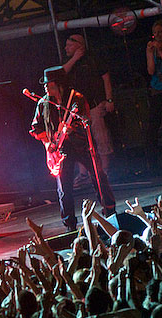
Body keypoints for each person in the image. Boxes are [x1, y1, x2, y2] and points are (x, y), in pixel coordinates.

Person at [30, 66, 116, 231]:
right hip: (60, 151)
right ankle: (69, 224)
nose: (46, 87)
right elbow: (36, 128)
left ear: (59, 84)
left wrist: (73, 129)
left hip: (82, 145)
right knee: (64, 188)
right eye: (45, 84)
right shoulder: (43, 103)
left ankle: (110, 212)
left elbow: (86, 120)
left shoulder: (76, 98)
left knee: (99, 177)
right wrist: (48, 144)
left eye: (49, 84)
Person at [62, 33, 116, 179]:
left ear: (79, 45)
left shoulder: (93, 59)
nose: (66, 48)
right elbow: (61, 74)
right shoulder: (68, 61)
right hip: (77, 109)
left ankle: (105, 170)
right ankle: (83, 173)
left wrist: (109, 99)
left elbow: (106, 78)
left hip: (94, 105)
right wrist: (74, 58)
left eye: (69, 45)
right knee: (81, 141)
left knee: (101, 137)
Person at [145, 20, 162, 163]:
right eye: (155, 33)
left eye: (160, 32)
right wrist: (151, 53)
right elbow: (151, 70)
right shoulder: (151, 48)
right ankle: (153, 162)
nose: (158, 35)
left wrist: (161, 51)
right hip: (157, 87)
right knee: (153, 125)